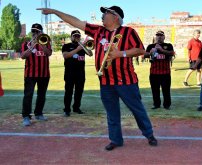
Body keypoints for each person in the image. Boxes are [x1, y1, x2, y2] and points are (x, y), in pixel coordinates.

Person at [38, 5, 158, 150]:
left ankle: (149, 134)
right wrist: (54, 12)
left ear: (115, 17)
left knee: (137, 109)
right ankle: (115, 140)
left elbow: (140, 50)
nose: (102, 16)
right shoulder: (98, 31)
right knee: (111, 113)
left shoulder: (128, 32)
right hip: (106, 82)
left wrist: (121, 54)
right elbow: (75, 22)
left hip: (126, 81)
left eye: (105, 13)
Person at [20, 23, 52, 126]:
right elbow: (23, 56)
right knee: (28, 95)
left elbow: (49, 53)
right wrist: (32, 45)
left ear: (41, 32)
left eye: (37, 31)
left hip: (44, 73)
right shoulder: (26, 43)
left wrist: (41, 44)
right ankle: (26, 116)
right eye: (33, 31)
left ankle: (38, 113)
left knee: (41, 95)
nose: (35, 33)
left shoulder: (46, 42)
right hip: (30, 74)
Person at [62, 30, 93, 117]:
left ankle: (76, 107)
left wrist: (84, 47)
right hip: (69, 73)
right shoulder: (66, 45)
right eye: (74, 36)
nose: (76, 37)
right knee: (68, 92)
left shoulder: (82, 46)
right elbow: (66, 55)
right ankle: (67, 109)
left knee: (79, 92)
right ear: (71, 37)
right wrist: (77, 49)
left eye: (78, 36)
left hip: (80, 73)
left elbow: (90, 54)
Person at [144, 30, 175, 110]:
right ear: (155, 37)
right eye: (157, 35)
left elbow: (172, 53)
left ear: (164, 37)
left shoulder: (168, 45)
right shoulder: (151, 46)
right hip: (154, 72)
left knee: (166, 90)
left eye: (161, 35)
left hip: (165, 72)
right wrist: (150, 52)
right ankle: (156, 104)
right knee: (155, 90)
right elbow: (144, 55)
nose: (159, 37)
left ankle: (167, 105)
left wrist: (161, 50)